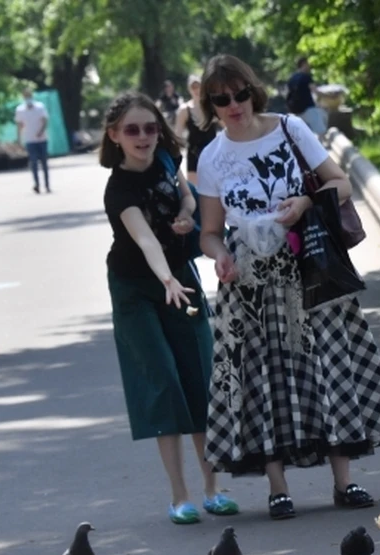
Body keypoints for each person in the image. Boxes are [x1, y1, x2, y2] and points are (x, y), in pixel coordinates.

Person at [195, 54, 380, 520]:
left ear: (253, 90)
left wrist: (307, 201)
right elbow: (209, 231)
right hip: (251, 283)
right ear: (211, 105)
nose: (234, 105)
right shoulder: (211, 156)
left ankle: (344, 481)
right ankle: (277, 488)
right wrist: (221, 255)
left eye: (240, 94)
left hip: (308, 267)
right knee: (262, 377)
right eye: (221, 99)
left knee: (328, 365)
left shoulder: (290, 128)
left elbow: (342, 183)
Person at [98, 91, 240, 525]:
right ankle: (180, 496)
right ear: (114, 136)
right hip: (139, 289)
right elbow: (143, 239)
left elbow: (190, 197)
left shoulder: (164, 158)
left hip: (182, 280)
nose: (143, 137)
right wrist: (166, 280)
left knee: (199, 378)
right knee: (163, 383)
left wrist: (184, 212)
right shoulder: (119, 189)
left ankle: (213, 489)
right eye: (132, 130)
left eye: (150, 127)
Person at [174, 75, 220, 186]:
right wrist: (175, 157)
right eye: (193, 87)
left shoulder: (212, 107)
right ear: (189, 89)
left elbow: (228, 126)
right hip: (194, 152)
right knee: (194, 187)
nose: (196, 90)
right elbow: (177, 135)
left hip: (213, 152)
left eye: (198, 86)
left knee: (215, 185)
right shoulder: (185, 110)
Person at [15, 88, 50, 194]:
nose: (27, 98)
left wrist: (40, 131)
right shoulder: (20, 110)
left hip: (42, 139)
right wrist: (19, 140)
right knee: (33, 162)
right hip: (30, 140)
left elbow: (45, 121)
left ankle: (47, 185)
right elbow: (19, 125)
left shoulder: (40, 107)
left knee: (44, 162)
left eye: (29, 96)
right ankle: (37, 184)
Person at [286, 57, 328, 136]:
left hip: (296, 111)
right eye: (307, 64)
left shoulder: (291, 79)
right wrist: (329, 96)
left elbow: (288, 95)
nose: (309, 66)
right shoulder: (306, 77)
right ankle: (320, 147)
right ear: (303, 64)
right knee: (321, 132)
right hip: (308, 109)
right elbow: (315, 91)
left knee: (302, 135)